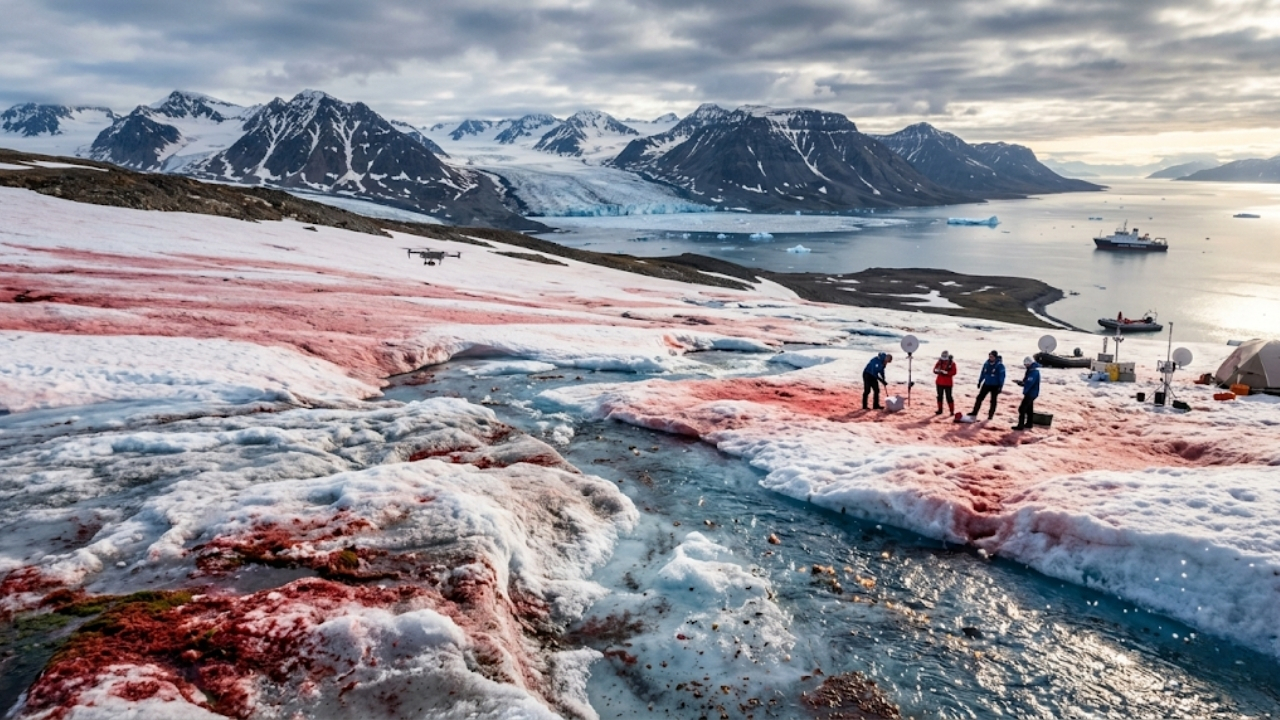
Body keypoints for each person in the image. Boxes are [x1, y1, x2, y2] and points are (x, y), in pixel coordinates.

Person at [971, 350, 1005, 419]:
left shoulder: (1000, 365)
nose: (990, 358)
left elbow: (1002, 376)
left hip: (995, 385)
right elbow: (983, 373)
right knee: (979, 398)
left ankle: (990, 415)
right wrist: (980, 381)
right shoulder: (986, 364)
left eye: (992, 356)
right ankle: (974, 412)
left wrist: (1000, 386)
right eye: (990, 356)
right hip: (986, 384)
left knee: (993, 400)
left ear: (995, 357)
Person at [1012, 356, 1041, 430]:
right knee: (1029, 409)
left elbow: (1029, 383)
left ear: (1029, 364)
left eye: (1026, 364)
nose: (1025, 366)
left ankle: (1020, 425)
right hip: (1031, 392)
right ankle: (1029, 423)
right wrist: (1020, 382)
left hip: (1031, 393)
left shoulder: (1034, 372)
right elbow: (1026, 381)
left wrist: (1021, 383)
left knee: (1022, 409)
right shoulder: (1030, 370)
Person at [933, 351, 957, 416]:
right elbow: (934, 369)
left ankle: (951, 411)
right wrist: (936, 370)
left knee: (949, 397)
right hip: (939, 382)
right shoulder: (939, 361)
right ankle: (940, 410)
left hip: (948, 383)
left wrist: (947, 373)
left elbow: (954, 372)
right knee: (939, 396)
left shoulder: (952, 363)